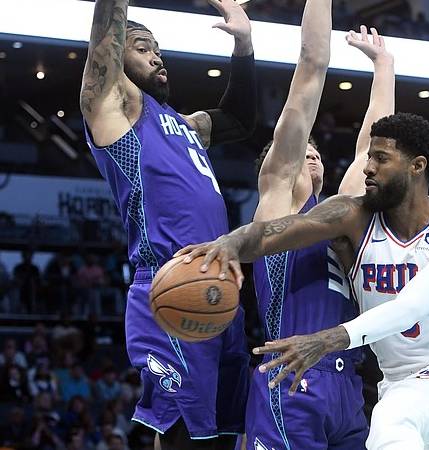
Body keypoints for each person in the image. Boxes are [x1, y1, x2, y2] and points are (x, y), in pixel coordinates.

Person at [177, 112, 429, 449]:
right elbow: (272, 233)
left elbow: (411, 308)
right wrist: (230, 243)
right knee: (400, 419)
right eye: (368, 158)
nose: (368, 168)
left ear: (417, 166)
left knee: (393, 421)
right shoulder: (353, 215)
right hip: (398, 381)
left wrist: (323, 340)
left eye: (381, 159)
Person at [79, 0, 257, 448]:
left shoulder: (182, 124)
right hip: (169, 281)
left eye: (158, 49)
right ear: (118, 57)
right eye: (142, 47)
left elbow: (239, 119)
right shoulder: (114, 113)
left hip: (220, 287)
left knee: (220, 432)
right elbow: (103, 39)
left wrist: (244, 43)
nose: (157, 56)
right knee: (183, 430)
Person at [248, 0, 395, 442]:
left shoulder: (340, 212)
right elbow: (310, 69)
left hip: (348, 384)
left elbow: (375, 144)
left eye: (316, 152)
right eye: (301, 151)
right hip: (291, 377)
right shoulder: (277, 206)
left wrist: (384, 65)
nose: (310, 153)